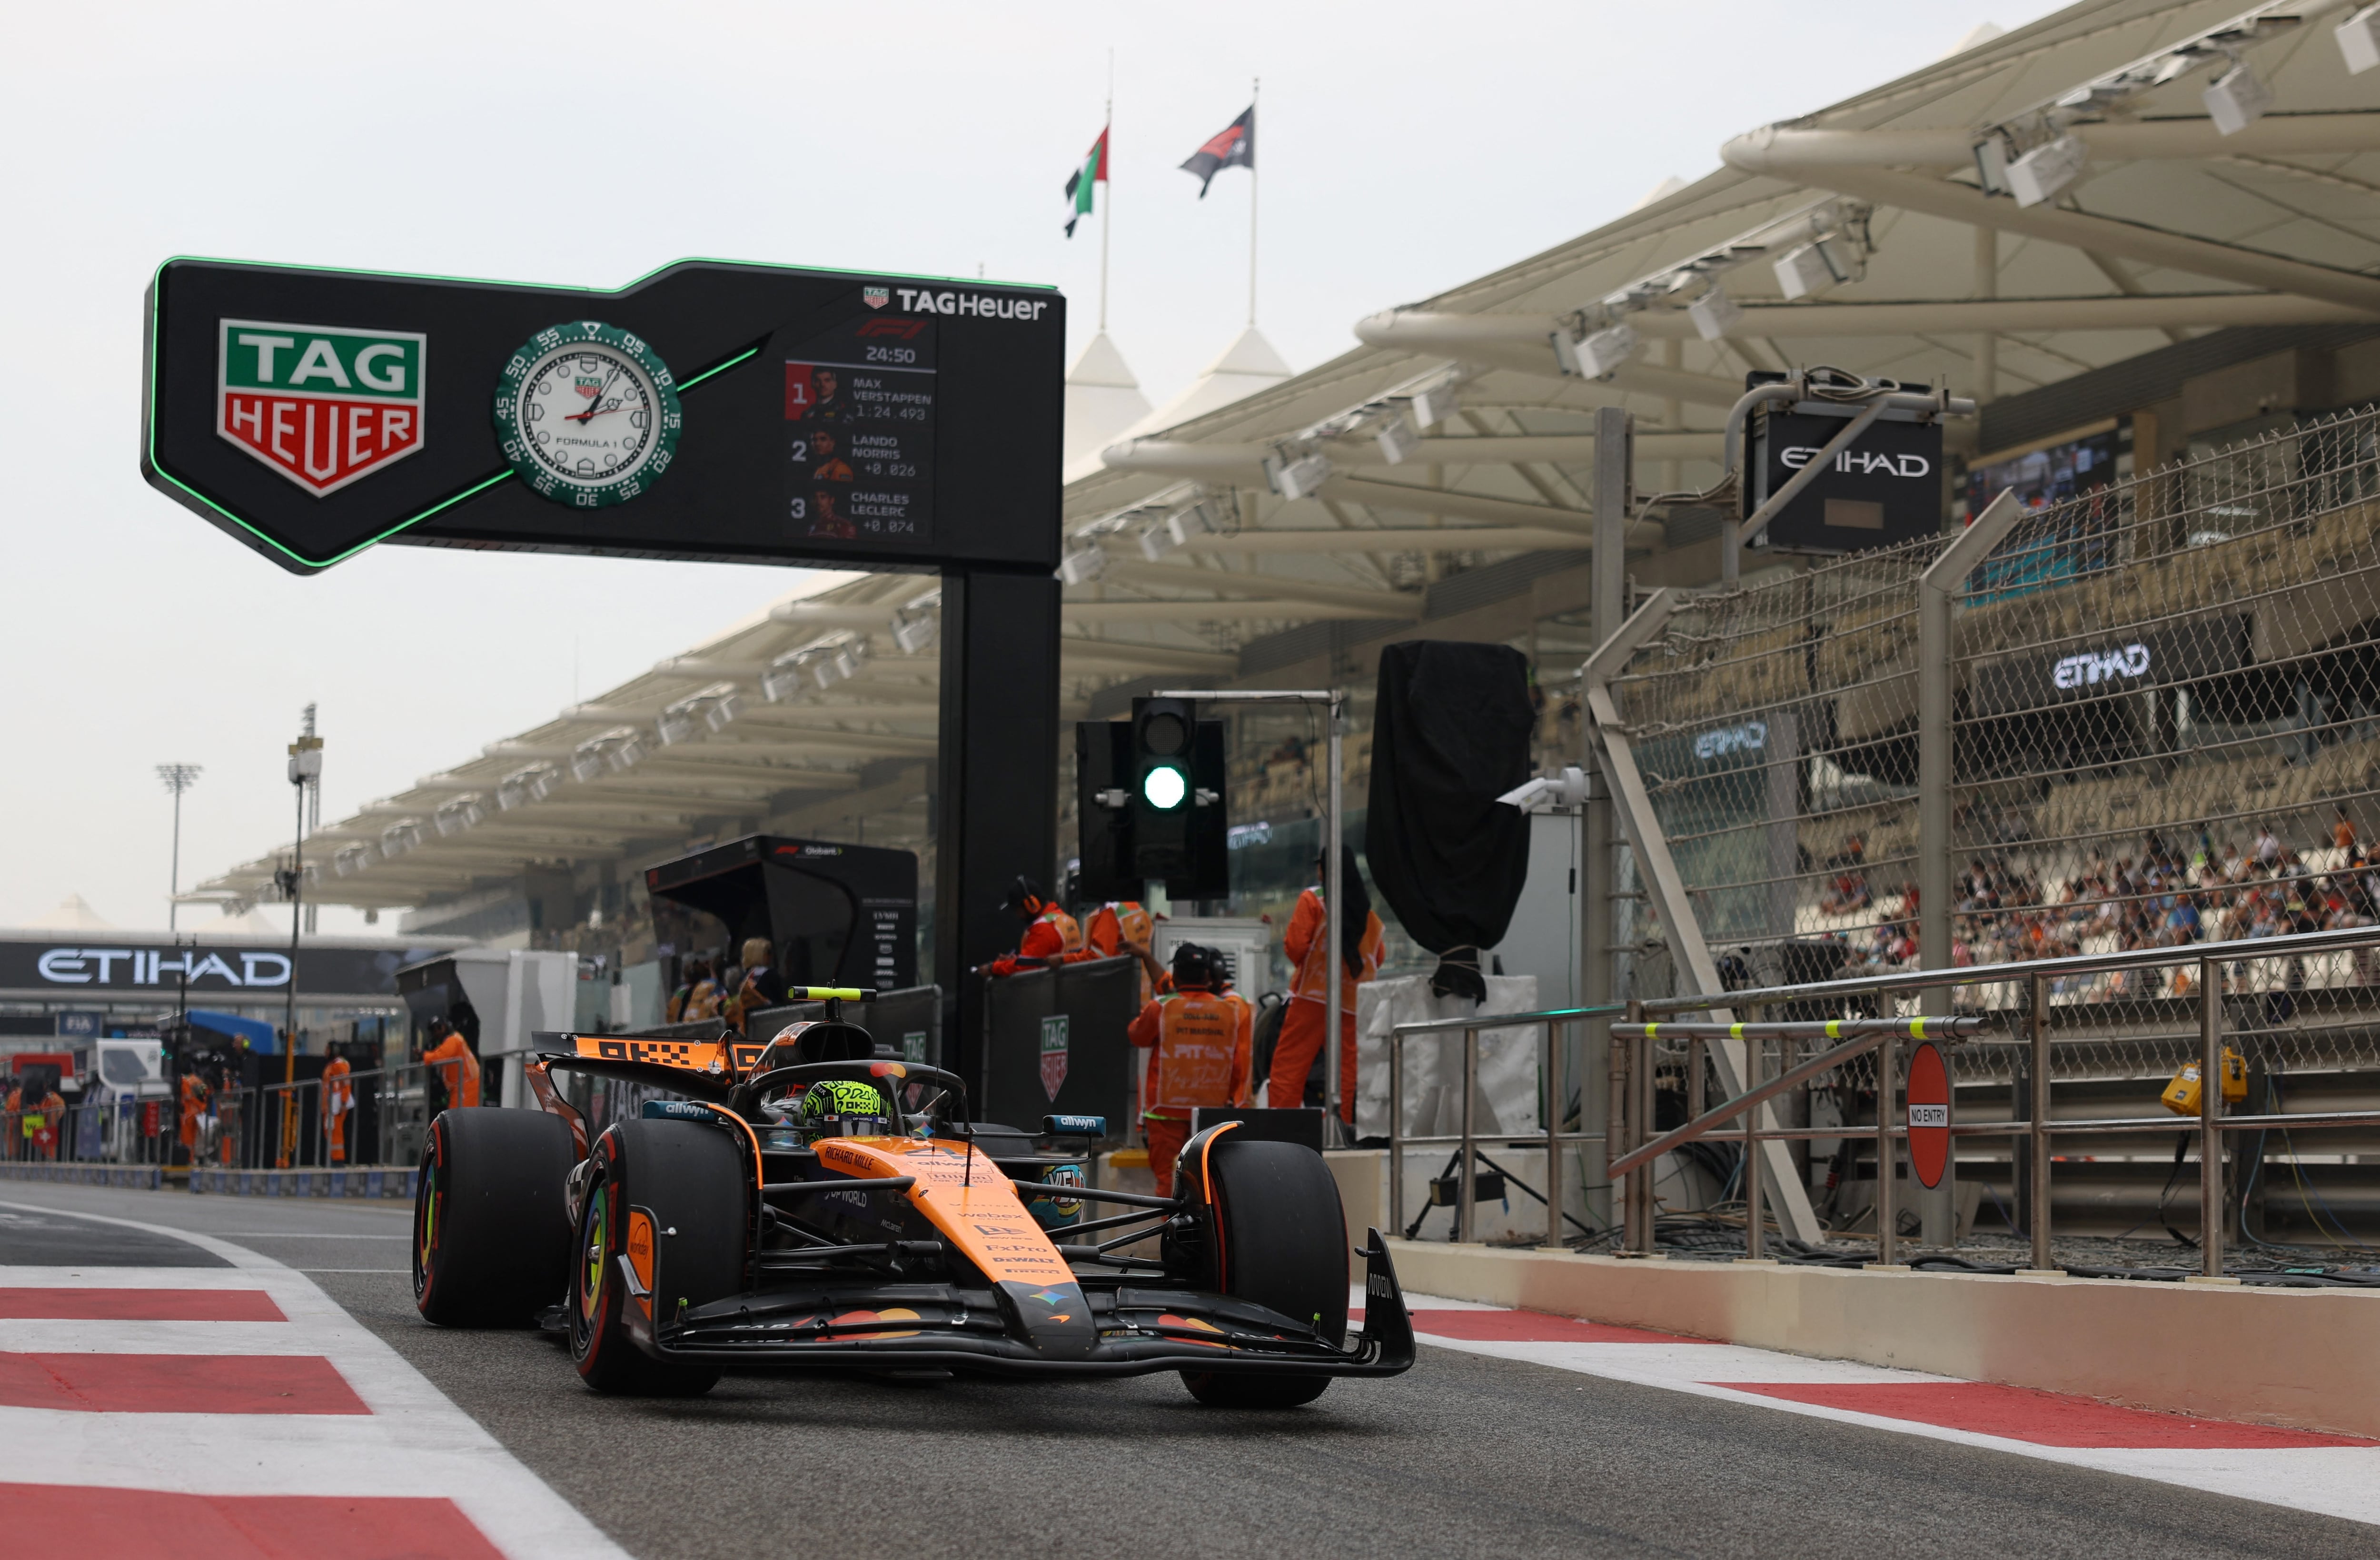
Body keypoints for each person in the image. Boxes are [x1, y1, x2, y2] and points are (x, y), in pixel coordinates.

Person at [1268, 845, 1385, 1123]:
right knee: (1345, 1068)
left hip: (1312, 998)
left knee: (1291, 1065)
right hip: (1351, 1002)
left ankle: (1280, 1127)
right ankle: (1341, 1126)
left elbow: (1296, 946)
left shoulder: (1313, 900)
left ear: (1324, 869)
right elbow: (1378, 956)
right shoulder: (1368, 912)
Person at [1127, 945, 1250, 1196]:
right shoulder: (1229, 1011)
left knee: (1168, 1181)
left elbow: (1137, 1036)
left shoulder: (1161, 1008)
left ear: (1176, 974)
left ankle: (1171, 1223)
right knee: (1210, 1181)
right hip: (1210, 1112)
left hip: (1166, 1111)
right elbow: (1236, 1066)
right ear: (1207, 975)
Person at [983, 877, 1085, 977]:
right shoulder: (1061, 918)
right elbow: (1040, 958)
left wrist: (993, 968)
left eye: (1018, 910)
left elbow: (1027, 965)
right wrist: (1016, 960)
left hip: (1051, 986)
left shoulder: (1044, 928)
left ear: (1031, 904)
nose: (1019, 916)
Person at [1086, 899, 1162, 1003]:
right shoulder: (1141, 911)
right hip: (1141, 995)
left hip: (1117, 998)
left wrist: (1065, 958)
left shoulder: (1110, 912)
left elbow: (1098, 957)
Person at [724, 937, 788, 1033]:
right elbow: (781, 1001)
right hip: (774, 1023)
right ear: (759, 954)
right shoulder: (771, 975)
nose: (771, 956)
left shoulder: (745, 977)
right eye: (768, 952)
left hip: (749, 1027)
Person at [422, 1017, 481, 1113]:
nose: (436, 1033)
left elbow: (440, 1056)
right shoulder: (452, 1039)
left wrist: (423, 1056)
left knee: (458, 1116)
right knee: (458, 1115)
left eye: (438, 1028)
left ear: (444, 1027)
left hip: (466, 1085)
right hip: (462, 1085)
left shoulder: (453, 1040)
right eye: (433, 1030)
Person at [319, 1044, 353, 1166]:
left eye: (328, 1050)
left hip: (336, 1106)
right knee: (329, 1133)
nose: (325, 1052)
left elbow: (346, 1085)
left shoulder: (340, 1065)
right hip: (329, 1106)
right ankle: (333, 1159)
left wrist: (343, 1102)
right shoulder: (331, 1066)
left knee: (336, 1134)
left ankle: (338, 1161)